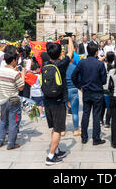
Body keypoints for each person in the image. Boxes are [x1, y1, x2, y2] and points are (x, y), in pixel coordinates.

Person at [42, 37, 74, 166]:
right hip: (59, 101)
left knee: (55, 127)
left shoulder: (45, 64)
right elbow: (71, 52)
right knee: (58, 129)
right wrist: (69, 39)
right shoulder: (61, 65)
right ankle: (50, 156)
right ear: (60, 53)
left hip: (47, 100)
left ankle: (56, 150)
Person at [72, 43, 108, 146]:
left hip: (86, 92)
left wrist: (80, 86)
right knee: (96, 115)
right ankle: (96, 138)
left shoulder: (82, 63)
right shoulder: (100, 64)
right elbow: (104, 80)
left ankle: (84, 137)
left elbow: (74, 76)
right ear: (96, 52)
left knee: (86, 114)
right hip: (97, 92)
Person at [0, 52, 25, 150]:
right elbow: (21, 88)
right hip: (13, 100)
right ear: (13, 60)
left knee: (3, 120)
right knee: (13, 122)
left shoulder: (0, 71)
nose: (17, 62)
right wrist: (22, 75)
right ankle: (11, 143)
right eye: (16, 60)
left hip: (3, 100)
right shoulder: (15, 73)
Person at [66, 55, 80, 136]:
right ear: (73, 59)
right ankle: (76, 129)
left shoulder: (62, 67)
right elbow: (79, 78)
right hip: (73, 89)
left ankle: (62, 130)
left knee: (63, 112)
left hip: (64, 90)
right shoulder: (75, 67)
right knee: (75, 112)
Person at [102, 52, 115, 129]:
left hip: (103, 86)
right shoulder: (114, 67)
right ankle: (107, 122)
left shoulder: (103, 65)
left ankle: (101, 120)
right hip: (110, 87)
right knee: (109, 107)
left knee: (102, 105)